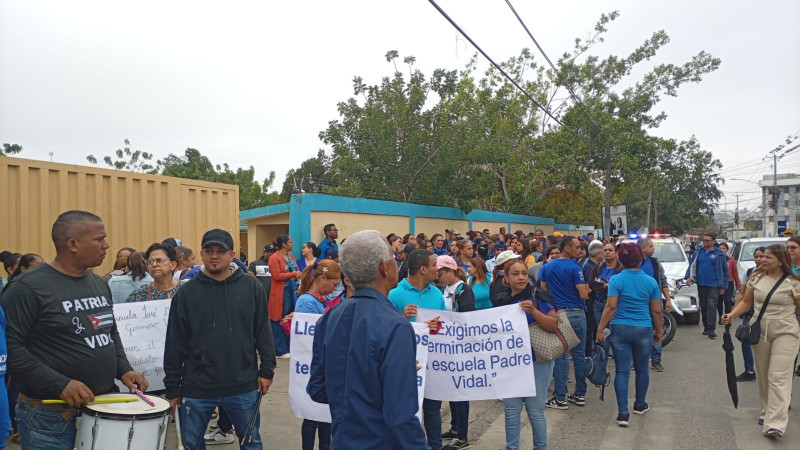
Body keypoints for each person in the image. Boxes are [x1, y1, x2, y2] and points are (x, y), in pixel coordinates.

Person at [0, 210, 148, 449]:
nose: (106, 245)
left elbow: (109, 333)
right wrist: (59, 383)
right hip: (49, 417)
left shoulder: (100, 283)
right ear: (73, 244)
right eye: (99, 239)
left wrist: (124, 369)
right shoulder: (27, 288)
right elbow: (10, 347)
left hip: (101, 408)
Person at [306, 230, 428, 448]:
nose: (396, 263)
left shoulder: (330, 318)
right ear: (384, 267)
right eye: (392, 257)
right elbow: (400, 416)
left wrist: (365, 384)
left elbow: (318, 388)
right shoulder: (395, 326)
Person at [164, 228, 275, 450]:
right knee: (191, 444)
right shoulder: (186, 293)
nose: (214, 256)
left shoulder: (251, 287)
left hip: (243, 384)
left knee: (251, 443)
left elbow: (263, 330)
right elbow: (175, 342)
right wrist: (173, 386)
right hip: (197, 387)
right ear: (202, 253)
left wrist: (267, 369)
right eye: (209, 250)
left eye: (220, 251)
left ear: (232, 254)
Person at [722, 245, 800, 438]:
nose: (762, 260)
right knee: (764, 375)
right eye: (762, 256)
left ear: (781, 260)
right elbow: (747, 302)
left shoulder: (793, 282)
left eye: (768, 257)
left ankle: (775, 424)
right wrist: (731, 315)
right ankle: (767, 411)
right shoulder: (755, 278)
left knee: (778, 376)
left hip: (786, 331)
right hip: (760, 330)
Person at [494, 258, 558, 450]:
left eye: (523, 273)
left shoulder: (538, 294)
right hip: (512, 363)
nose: (521, 277)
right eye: (515, 274)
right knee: (511, 411)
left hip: (538, 360)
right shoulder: (501, 299)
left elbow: (553, 325)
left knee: (535, 411)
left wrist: (533, 311)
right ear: (506, 277)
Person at [595, 243, 662, 427]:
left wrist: (600, 329)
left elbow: (611, 307)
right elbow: (656, 311)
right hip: (643, 329)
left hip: (620, 328)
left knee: (622, 371)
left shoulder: (616, 280)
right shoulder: (651, 282)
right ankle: (640, 404)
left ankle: (623, 413)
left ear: (621, 259)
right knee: (642, 369)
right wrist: (659, 331)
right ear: (640, 258)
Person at [388, 249, 445, 450]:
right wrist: (402, 318)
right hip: (405, 366)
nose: (437, 269)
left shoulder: (437, 294)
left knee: (433, 411)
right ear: (423, 269)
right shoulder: (394, 294)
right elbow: (385, 331)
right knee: (407, 413)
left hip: (432, 363)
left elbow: (442, 329)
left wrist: (435, 327)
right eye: (434, 265)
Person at [294, 259, 342, 450]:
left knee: (323, 419)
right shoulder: (307, 302)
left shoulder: (320, 301)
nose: (334, 289)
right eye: (334, 284)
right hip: (312, 367)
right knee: (313, 417)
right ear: (323, 278)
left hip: (320, 366)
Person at [539, 236, 590, 410]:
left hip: (559, 314)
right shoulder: (575, 268)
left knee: (561, 356)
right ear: (567, 248)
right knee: (579, 355)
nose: (580, 249)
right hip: (576, 313)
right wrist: (588, 288)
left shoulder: (547, 267)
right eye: (577, 247)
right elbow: (583, 294)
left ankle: (560, 396)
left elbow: (543, 290)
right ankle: (580, 393)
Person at [436, 256, 476, 450]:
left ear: (450, 271)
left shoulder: (464, 291)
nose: (438, 276)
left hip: (460, 347)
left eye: (440, 273)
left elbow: (467, 319)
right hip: (447, 347)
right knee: (451, 389)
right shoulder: (444, 290)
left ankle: (462, 436)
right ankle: (454, 427)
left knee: (460, 391)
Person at [636, 239, 673, 372]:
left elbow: (663, 281)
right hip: (637, 303)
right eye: (651, 246)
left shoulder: (655, 263)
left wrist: (668, 299)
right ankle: (638, 360)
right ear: (642, 248)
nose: (653, 249)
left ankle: (656, 360)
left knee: (657, 328)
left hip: (654, 301)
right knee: (638, 331)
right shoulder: (632, 263)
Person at [685, 233, 729, 339]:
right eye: (704, 240)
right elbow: (691, 265)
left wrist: (723, 286)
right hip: (701, 283)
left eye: (708, 241)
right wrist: (689, 277)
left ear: (713, 242)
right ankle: (705, 326)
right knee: (704, 306)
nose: (705, 242)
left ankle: (711, 329)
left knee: (712, 305)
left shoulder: (719, 254)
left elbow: (725, 271)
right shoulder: (698, 252)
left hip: (714, 284)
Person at [734, 246, 765, 382]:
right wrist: (732, 313)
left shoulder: (776, 274)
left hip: (767, 315)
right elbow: (742, 294)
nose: (758, 259)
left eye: (762, 256)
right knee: (746, 340)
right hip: (750, 314)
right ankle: (749, 370)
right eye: (756, 256)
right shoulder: (749, 272)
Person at [268, 235, 301, 358]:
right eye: (290, 242)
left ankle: (288, 347)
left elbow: (296, 270)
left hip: (293, 290)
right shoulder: (274, 257)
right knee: (278, 319)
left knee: (289, 317)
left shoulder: (291, 256)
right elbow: (276, 276)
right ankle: (280, 350)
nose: (292, 244)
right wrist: (293, 274)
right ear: (283, 244)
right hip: (282, 291)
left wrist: (296, 275)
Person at [582, 241, 604, 356]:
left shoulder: (597, 267)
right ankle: (588, 352)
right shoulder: (589, 267)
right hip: (590, 302)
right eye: (604, 252)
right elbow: (587, 287)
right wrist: (600, 287)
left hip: (595, 301)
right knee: (590, 327)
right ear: (598, 254)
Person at [717, 242, 741, 324]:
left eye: (723, 248)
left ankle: (727, 317)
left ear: (727, 250)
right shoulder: (716, 259)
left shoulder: (731, 260)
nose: (722, 250)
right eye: (720, 248)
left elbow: (735, 273)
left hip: (729, 283)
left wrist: (738, 285)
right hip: (719, 284)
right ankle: (721, 317)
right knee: (719, 302)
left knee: (727, 301)